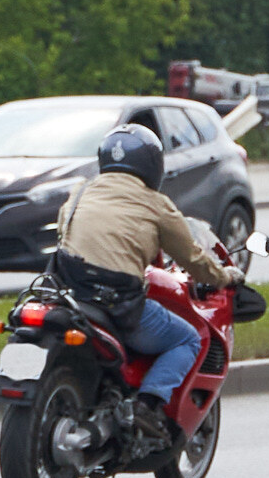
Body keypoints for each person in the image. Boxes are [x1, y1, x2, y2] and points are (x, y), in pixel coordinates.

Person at [54, 124, 244, 436]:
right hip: (116, 304)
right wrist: (224, 276)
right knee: (189, 339)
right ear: (152, 165)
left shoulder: (80, 193)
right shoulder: (155, 204)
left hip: (70, 296)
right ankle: (148, 404)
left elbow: (67, 235)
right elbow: (193, 259)